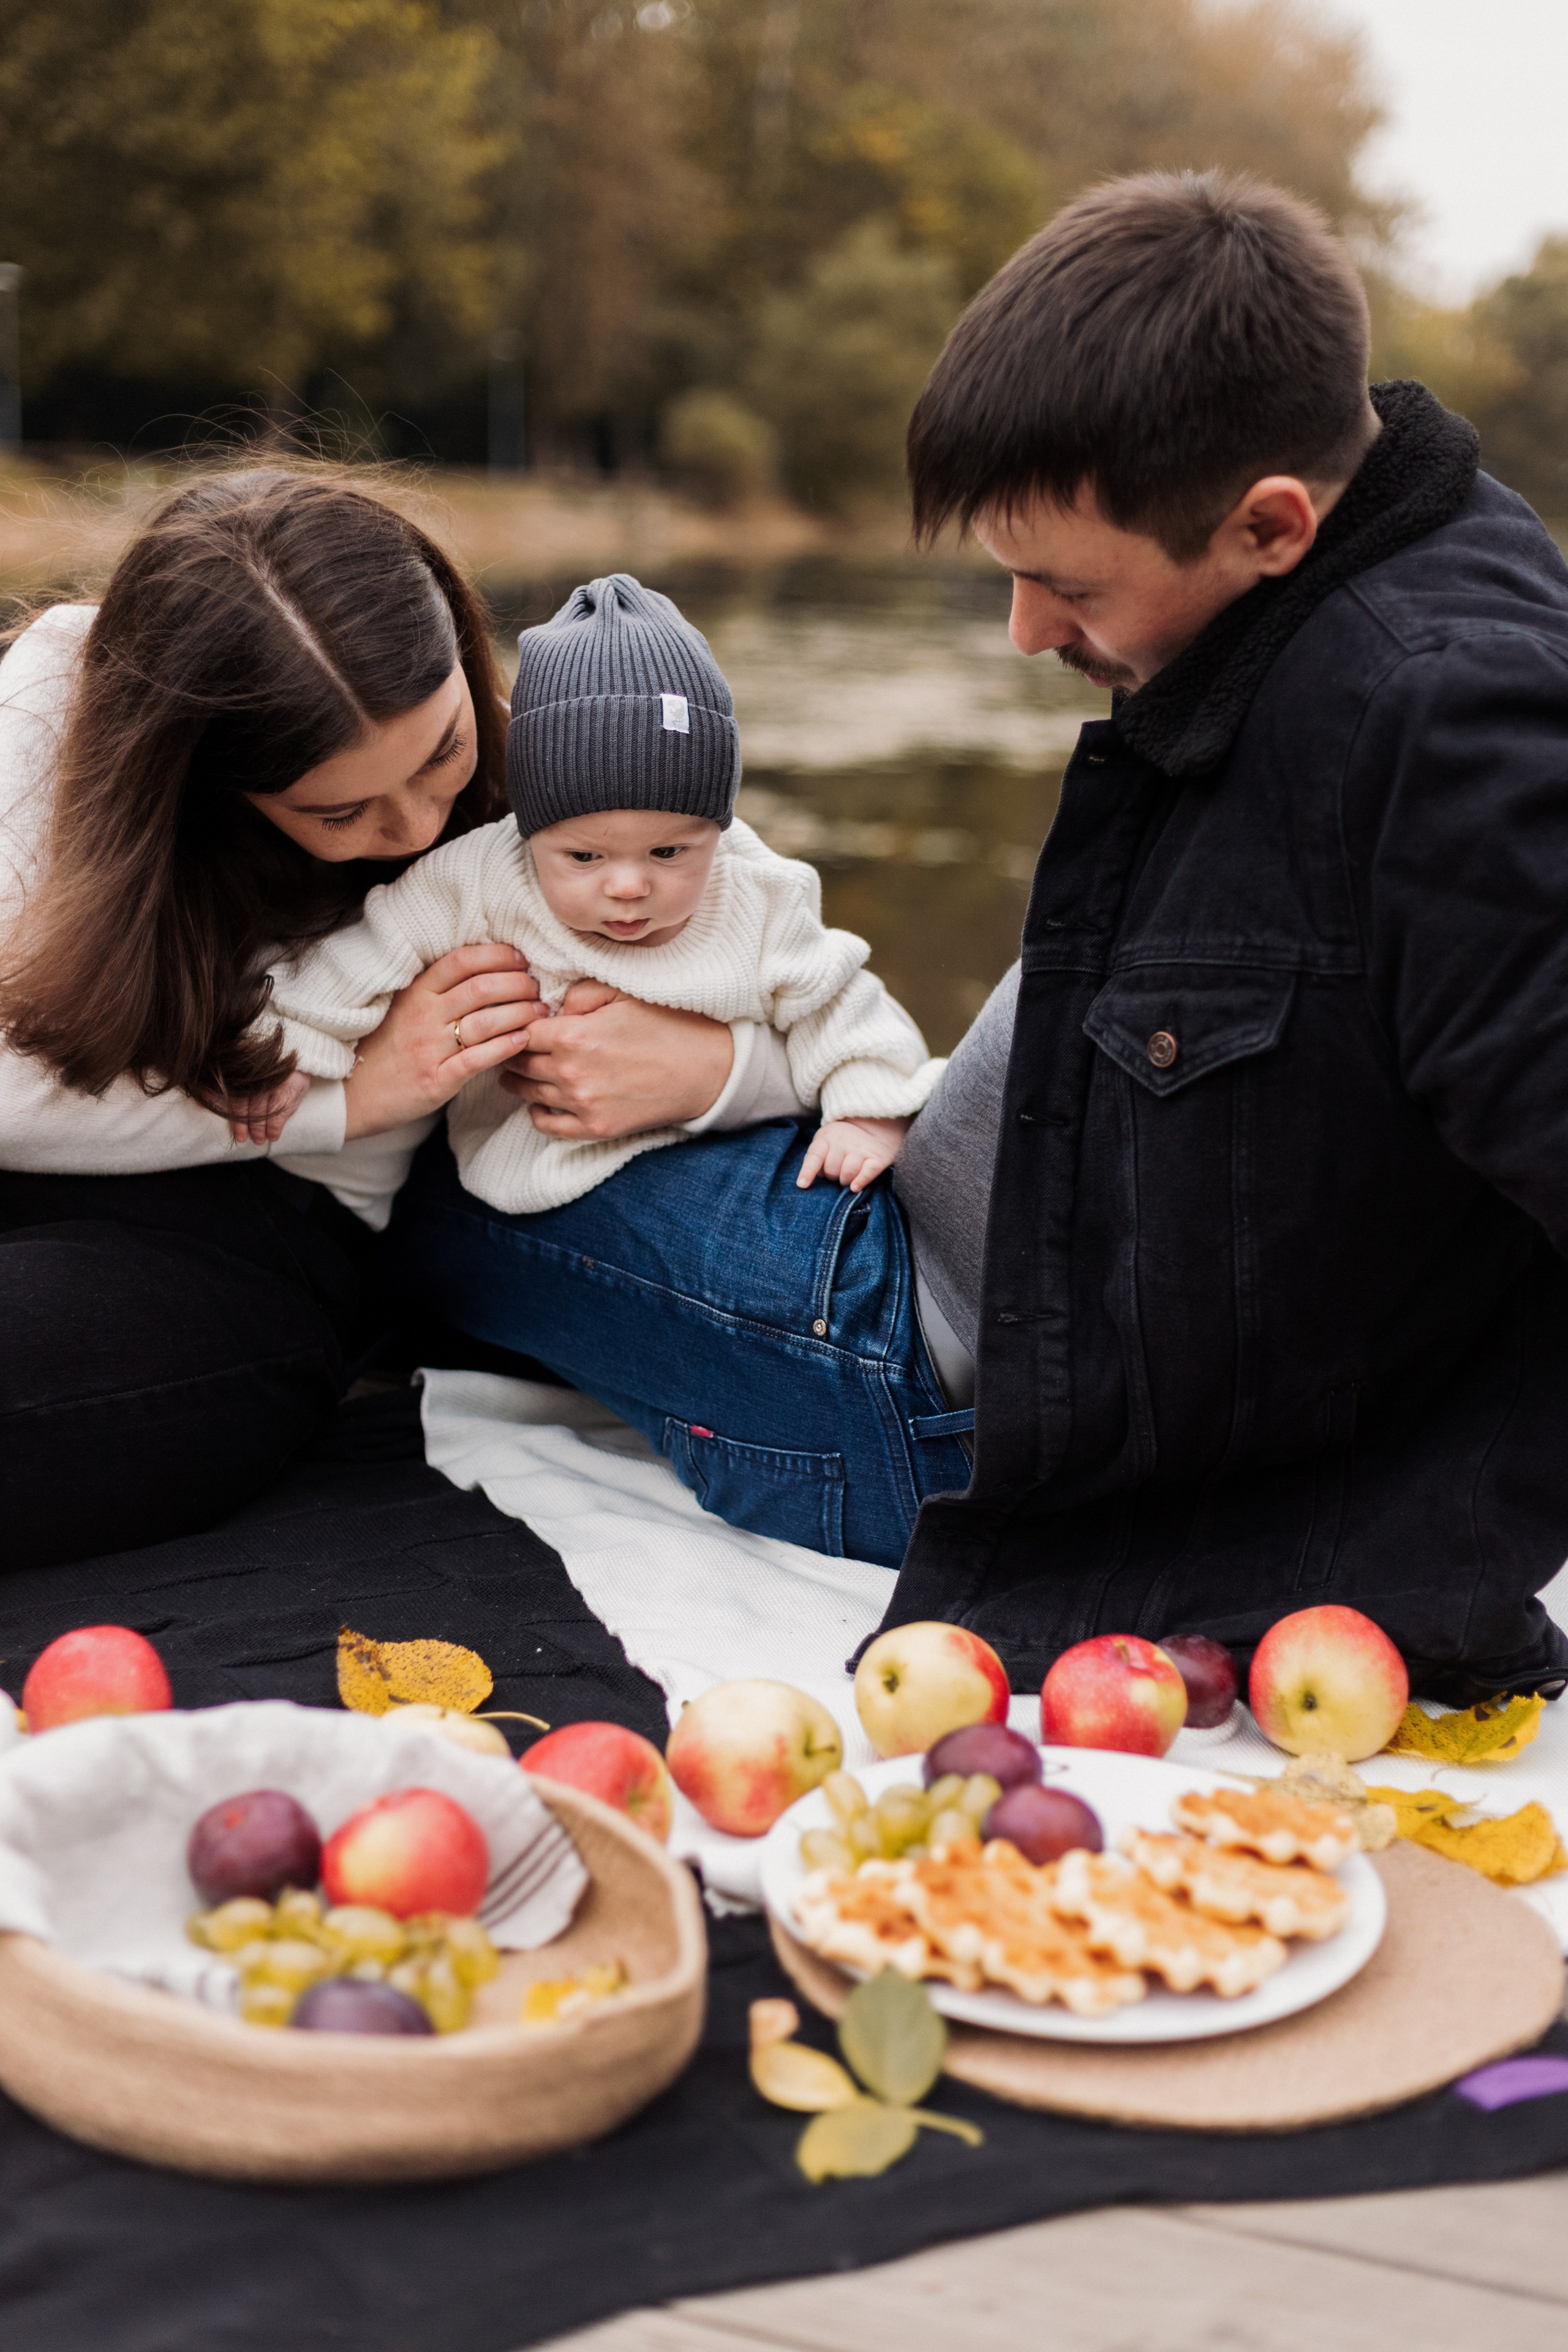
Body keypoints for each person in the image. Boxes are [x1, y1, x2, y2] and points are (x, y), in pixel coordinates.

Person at [393, 168, 1568, 1700]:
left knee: (427, 1184)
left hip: (937, 1381)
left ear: (1267, 523)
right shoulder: (1387, 555)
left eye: (1062, 583)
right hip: (923, 1234)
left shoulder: (1456, 732)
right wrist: (743, 1068)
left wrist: (1398, 1551)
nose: (1022, 631)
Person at [0, 469, 762, 1569]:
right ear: (201, 776)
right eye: (339, 810)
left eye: (442, 749)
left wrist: (717, 1066)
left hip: (248, 1245)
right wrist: (343, 1097)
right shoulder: (62, 695)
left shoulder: (550, 763)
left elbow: (788, 955)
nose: (420, 822)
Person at [265, 572, 939, 1215]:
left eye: (669, 851)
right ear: (529, 833)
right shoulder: (483, 875)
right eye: (584, 856)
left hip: (721, 1140)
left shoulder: (759, 894)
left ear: (718, 830)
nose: (627, 886)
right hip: (533, 1167)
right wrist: (299, 1040)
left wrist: (868, 1115)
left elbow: (847, 1010)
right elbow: (374, 945)